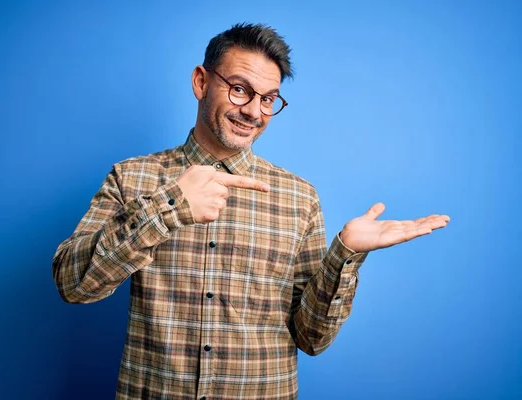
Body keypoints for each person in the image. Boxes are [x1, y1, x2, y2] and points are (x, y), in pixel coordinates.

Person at [52, 23, 450, 400]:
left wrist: (344, 254)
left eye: (268, 99)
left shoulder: (300, 198)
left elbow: (312, 338)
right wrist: (168, 207)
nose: (254, 112)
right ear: (201, 82)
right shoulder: (132, 177)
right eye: (240, 90)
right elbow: (73, 285)